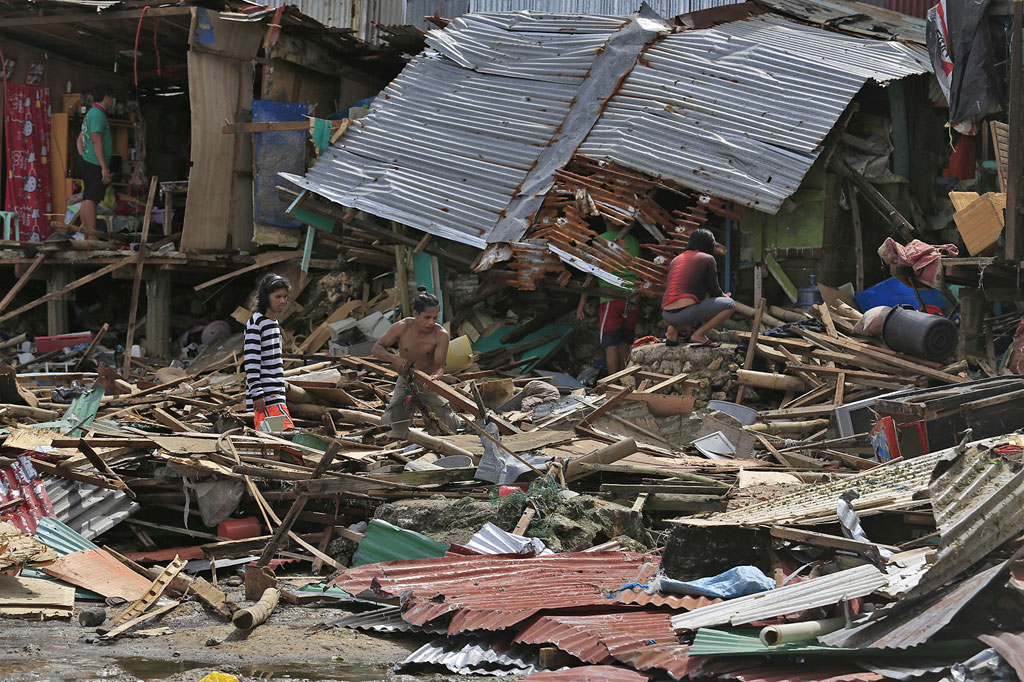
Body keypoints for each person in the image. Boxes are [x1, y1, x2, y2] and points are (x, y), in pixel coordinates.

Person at [372, 289, 460, 437]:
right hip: (405, 379)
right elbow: (376, 348)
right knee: (391, 421)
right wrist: (395, 358)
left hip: (428, 381)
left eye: (435, 317)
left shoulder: (441, 335)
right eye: (427, 317)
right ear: (415, 314)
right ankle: (397, 442)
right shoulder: (402, 327)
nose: (431, 322)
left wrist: (434, 378)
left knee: (448, 422)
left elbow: (440, 367)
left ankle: (438, 444)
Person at [577, 229, 640, 375]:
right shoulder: (634, 241)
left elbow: (591, 271)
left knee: (610, 343)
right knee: (625, 341)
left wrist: (582, 302)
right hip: (632, 297)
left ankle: (613, 382)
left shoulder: (600, 239)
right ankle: (626, 381)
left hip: (611, 298)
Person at [662, 227, 734, 347]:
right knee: (729, 305)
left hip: (667, 314)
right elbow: (714, 291)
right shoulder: (707, 258)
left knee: (696, 305)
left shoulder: (676, 259)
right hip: (686, 313)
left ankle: (673, 330)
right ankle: (699, 335)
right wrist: (725, 297)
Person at [244, 274, 294, 432]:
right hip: (266, 397)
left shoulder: (272, 322)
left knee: (271, 437)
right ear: (266, 297)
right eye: (277, 296)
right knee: (281, 434)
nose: (283, 301)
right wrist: (257, 392)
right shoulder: (256, 323)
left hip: (275, 393)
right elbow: (251, 361)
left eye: (285, 296)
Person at [76, 85, 114, 233]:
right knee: (92, 199)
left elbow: (79, 139)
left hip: (88, 161)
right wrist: (104, 166)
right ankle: (92, 235)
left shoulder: (90, 114)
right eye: (112, 99)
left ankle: (87, 235)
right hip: (95, 163)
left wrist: (83, 156)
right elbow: (96, 139)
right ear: (107, 97)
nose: (112, 102)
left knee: (88, 197)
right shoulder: (98, 114)